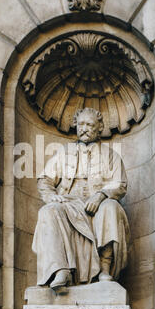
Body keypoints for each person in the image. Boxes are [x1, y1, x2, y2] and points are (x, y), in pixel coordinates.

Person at [32, 107, 130, 290]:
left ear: (99, 128)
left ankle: (104, 268)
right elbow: (45, 180)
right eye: (81, 124)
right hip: (69, 203)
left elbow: (120, 184)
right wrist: (51, 196)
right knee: (48, 210)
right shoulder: (63, 152)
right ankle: (60, 269)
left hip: (98, 205)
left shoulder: (111, 156)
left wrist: (101, 195)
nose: (84, 128)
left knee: (111, 207)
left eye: (89, 125)